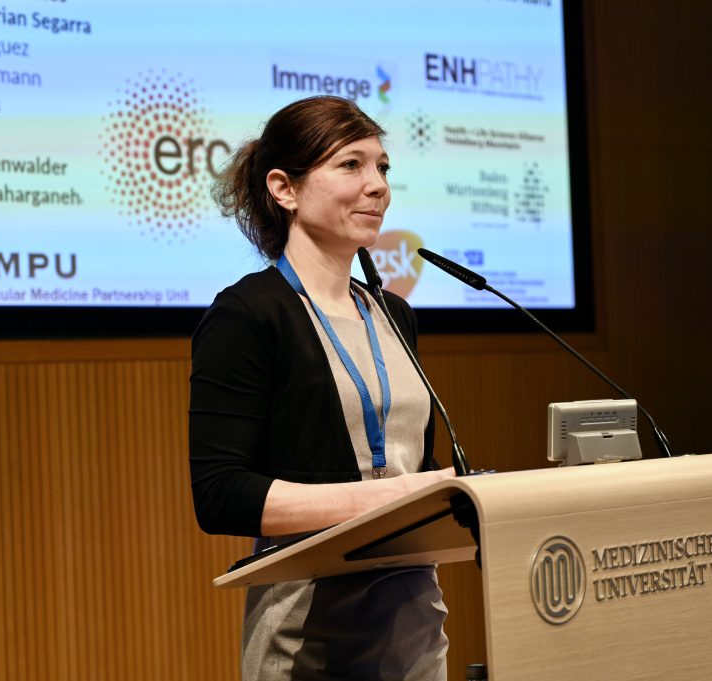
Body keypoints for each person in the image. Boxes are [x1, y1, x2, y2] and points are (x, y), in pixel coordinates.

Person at [189, 95, 455, 680]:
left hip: (412, 624)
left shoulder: (395, 315)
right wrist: (387, 498)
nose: (378, 186)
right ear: (283, 188)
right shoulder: (249, 314)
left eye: (383, 167)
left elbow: (415, 459)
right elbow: (220, 494)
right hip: (307, 632)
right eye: (351, 165)